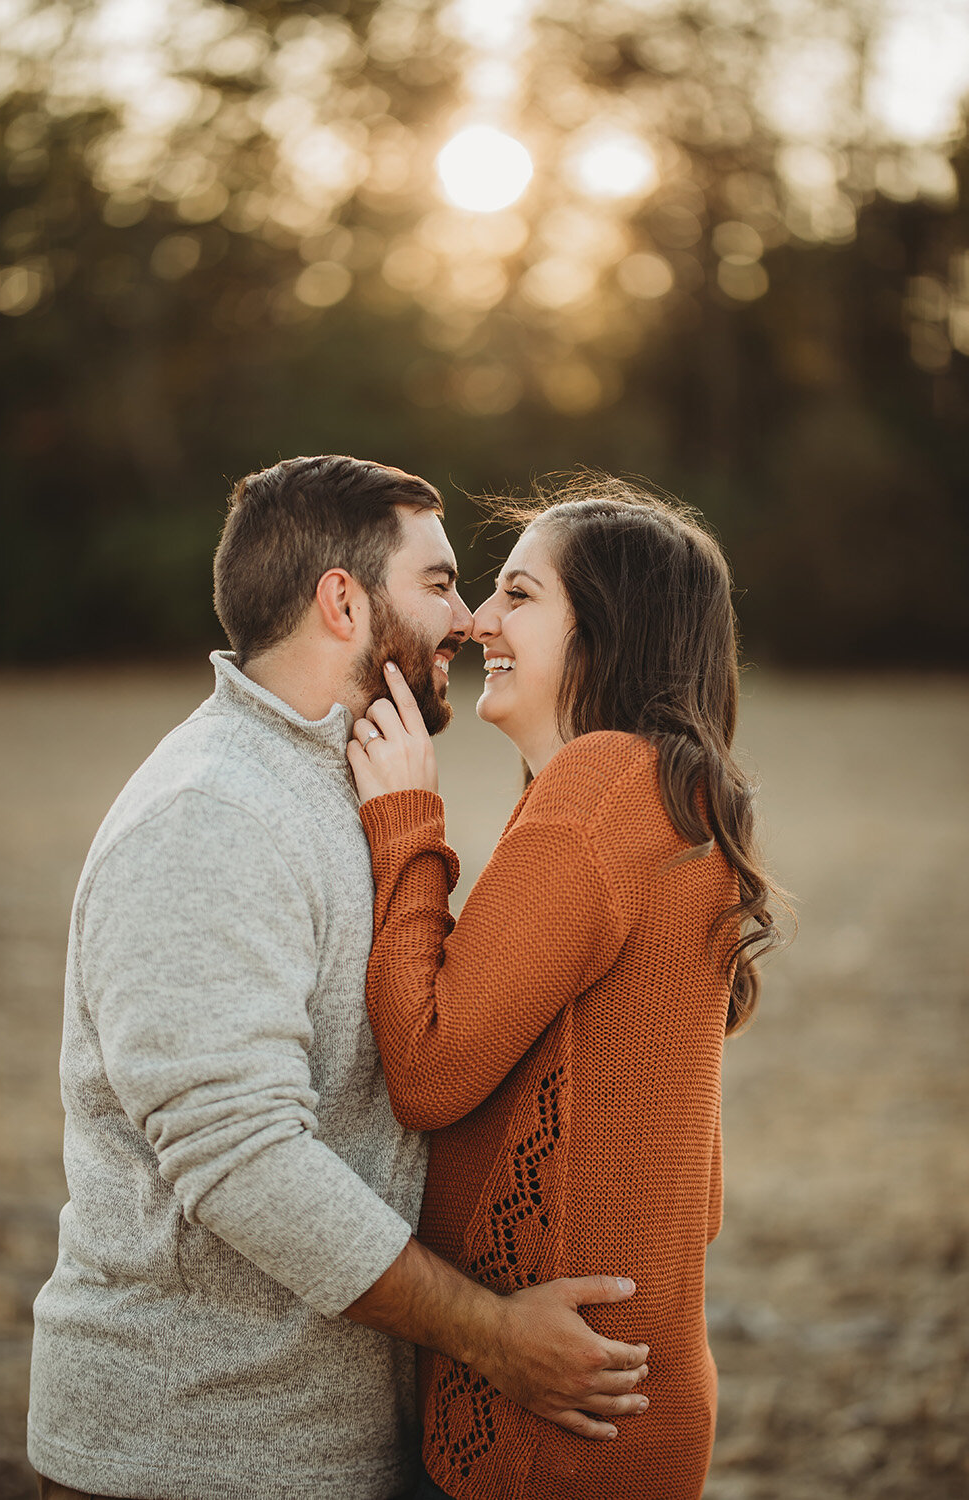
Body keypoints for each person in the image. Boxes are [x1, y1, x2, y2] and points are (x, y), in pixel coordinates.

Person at [27, 456, 651, 1500]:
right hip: (192, 1456)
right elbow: (242, 1158)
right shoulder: (212, 814)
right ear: (342, 599)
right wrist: (489, 1335)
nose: (466, 617)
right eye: (440, 582)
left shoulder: (342, 777)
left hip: (327, 1445)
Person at [348, 476, 788, 1500]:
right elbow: (688, 1182)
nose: (476, 620)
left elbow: (426, 1068)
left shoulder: (601, 789)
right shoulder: (676, 800)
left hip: (543, 1433)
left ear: (605, 625)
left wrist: (408, 823)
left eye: (518, 595)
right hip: (632, 1412)